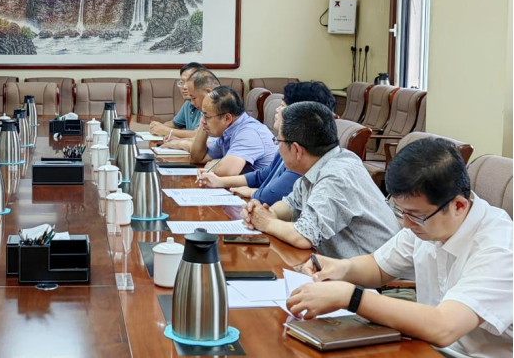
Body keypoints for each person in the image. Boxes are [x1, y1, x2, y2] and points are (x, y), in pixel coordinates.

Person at [288, 139, 512, 358]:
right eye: (402, 212)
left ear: (459, 206)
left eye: (415, 215)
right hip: (425, 344)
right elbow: (378, 267)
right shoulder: (429, 221)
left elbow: (444, 327)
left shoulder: (500, 249)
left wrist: (350, 297)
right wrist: (339, 268)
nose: (406, 224)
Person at [241, 102, 400, 258]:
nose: (278, 147)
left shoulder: (336, 177)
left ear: (296, 150)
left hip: (373, 272)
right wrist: (265, 213)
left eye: (278, 141)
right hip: (340, 266)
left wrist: (267, 222)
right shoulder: (320, 164)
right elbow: (291, 204)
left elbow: (303, 236)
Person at [198, 81, 336, 205]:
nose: (277, 109)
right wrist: (220, 181)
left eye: (282, 106)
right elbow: (264, 174)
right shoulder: (287, 142)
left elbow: (272, 195)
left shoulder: (303, 152)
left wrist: (253, 192)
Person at [188, 85, 277, 177]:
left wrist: (215, 165)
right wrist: (204, 124)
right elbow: (197, 158)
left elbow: (226, 172)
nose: (203, 121)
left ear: (227, 118)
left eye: (207, 116)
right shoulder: (228, 131)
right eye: (203, 115)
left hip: (262, 186)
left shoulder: (249, 133)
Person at [160, 71, 220, 152]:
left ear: (208, 93)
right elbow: (205, 141)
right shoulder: (206, 114)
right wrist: (178, 140)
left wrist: (181, 143)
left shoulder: (222, 114)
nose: (192, 103)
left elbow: (212, 147)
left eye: (194, 98)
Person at [149, 62, 206, 139]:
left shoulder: (209, 104)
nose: (184, 87)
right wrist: (157, 127)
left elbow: (199, 135)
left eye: (189, 82)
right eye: (181, 82)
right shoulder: (188, 103)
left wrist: (165, 130)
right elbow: (175, 124)